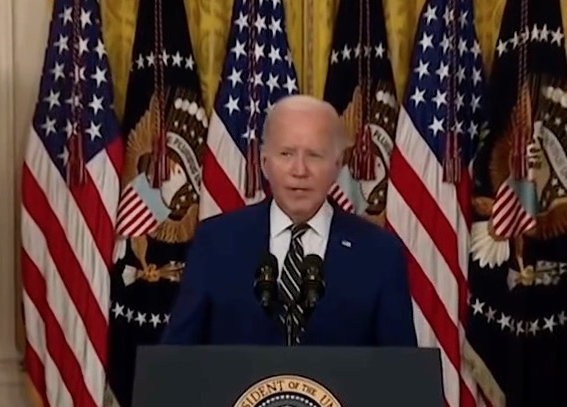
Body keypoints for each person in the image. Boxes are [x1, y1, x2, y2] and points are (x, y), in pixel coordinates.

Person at [160, 95, 417, 346]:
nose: (299, 170)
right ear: (264, 163)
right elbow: (177, 357)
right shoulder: (215, 242)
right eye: (286, 154)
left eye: (314, 155)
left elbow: (400, 368)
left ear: (337, 165)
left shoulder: (380, 253)